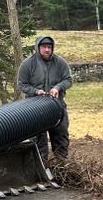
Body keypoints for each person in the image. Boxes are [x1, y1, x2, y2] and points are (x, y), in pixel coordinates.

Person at [17, 35, 73, 163]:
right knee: (38, 141)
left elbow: (68, 80)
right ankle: (42, 168)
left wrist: (58, 87)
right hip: (35, 108)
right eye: (44, 47)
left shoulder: (60, 62)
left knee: (61, 137)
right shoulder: (27, 64)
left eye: (49, 47)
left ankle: (61, 167)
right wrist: (36, 91)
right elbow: (21, 84)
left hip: (57, 106)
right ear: (38, 47)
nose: (47, 50)